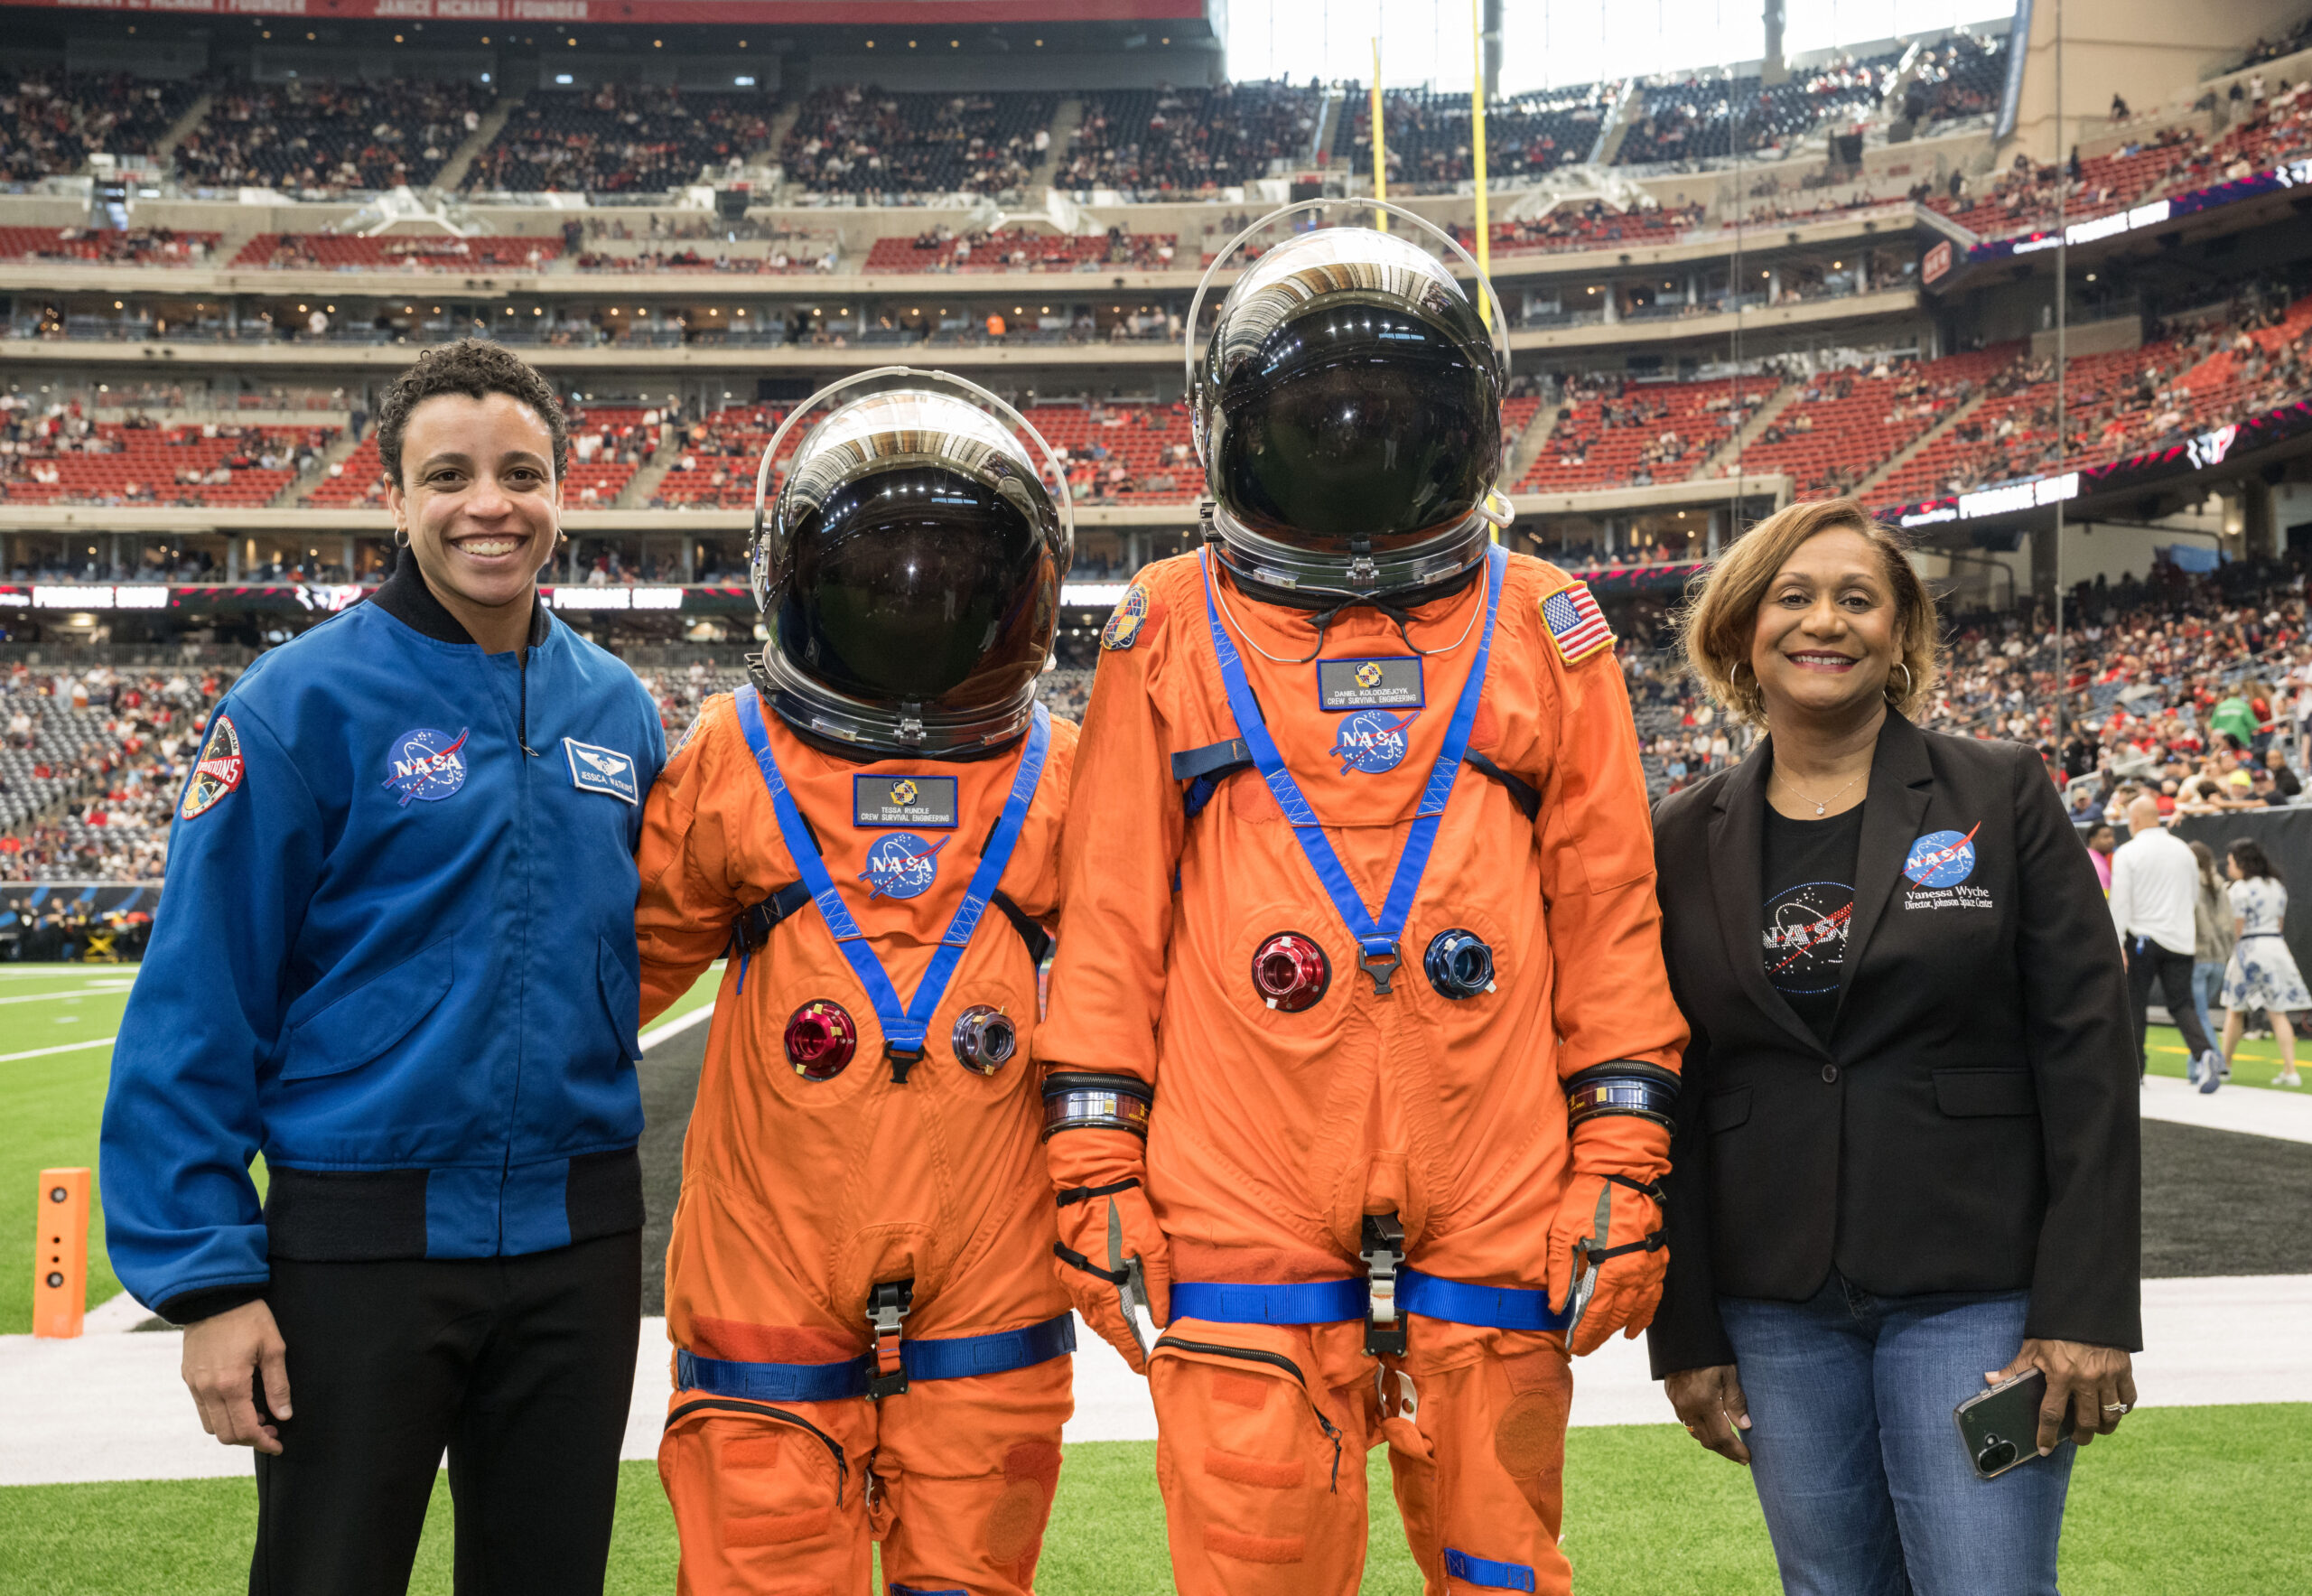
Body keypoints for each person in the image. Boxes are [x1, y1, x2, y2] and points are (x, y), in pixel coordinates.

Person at [1039, 212, 1686, 1596]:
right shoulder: (1164, 625)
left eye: (1393, 416)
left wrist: (1622, 1160)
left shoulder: (1548, 623)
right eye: (1315, 418)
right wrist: (1096, 1167)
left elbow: (1609, 921)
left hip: (1499, 1175)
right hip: (1237, 1182)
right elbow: (1108, 933)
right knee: (1258, 1564)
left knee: (1502, 1566)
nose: (1353, 445)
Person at [98, 340, 667, 1594]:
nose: (489, 504)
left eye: (522, 472)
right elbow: (201, 992)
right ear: (394, 497)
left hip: (578, 1243)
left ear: (564, 489)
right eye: (449, 474)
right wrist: (205, 1282)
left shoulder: (618, 707)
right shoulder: (298, 700)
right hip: (360, 1246)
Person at [633, 378, 1080, 1594]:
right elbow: (604, 982)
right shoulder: (732, 751)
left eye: (954, 549)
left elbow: (1150, 994)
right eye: (885, 549)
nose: (921, 581)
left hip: (991, 1251)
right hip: (768, 1252)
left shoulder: (1063, 771)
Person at [1650, 499, 2140, 1596]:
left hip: (1975, 1293)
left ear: (1900, 633)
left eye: (1857, 599)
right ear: (1738, 630)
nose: (1825, 621)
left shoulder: (1998, 790)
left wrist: (2087, 1308)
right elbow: (1668, 1090)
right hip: (1773, 1306)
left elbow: (2090, 1058)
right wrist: (1683, 1330)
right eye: (1794, 596)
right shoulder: (1678, 834)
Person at [2112, 794, 2223, 1085]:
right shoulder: (2183, 851)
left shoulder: (2128, 852)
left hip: (2142, 939)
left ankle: (2136, 1071)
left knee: (2135, 1005)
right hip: (2179, 939)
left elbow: (2121, 902)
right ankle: (2204, 1053)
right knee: (2181, 1004)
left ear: (2135, 820)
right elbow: (2192, 897)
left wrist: (2118, 941)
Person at [2218, 837, 2307, 1088]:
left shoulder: (2238, 889)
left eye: (2231, 861)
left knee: (2235, 1010)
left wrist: (2235, 954)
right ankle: (2291, 1070)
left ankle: (2225, 1066)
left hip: (2250, 947)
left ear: (2241, 862)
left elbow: (2237, 927)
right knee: (2278, 1012)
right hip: (2276, 947)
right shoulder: (2276, 886)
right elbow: (2279, 923)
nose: (2228, 867)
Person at [2189, 839, 2237, 1059]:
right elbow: (2229, 925)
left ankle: (2215, 1061)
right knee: (2201, 1015)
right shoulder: (2221, 885)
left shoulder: (2191, 885)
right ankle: (2196, 1068)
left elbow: (2200, 923)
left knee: (2199, 1016)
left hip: (2199, 957)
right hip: (2219, 959)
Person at [2085, 821, 2118, 893]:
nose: (2111, 840)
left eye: (2112, 836)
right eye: (2106, 837)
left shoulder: (2091, 857)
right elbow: (2104, 896)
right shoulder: (2095, 863)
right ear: (2092, 840)